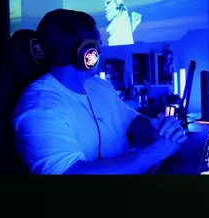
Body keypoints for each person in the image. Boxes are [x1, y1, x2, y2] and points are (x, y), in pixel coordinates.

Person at [12, 10, 185, 175]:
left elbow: (131, 120)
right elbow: (71, 174)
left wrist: (157, 130)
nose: (101, 51)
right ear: (87, 52)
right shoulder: (40, 109)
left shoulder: (99, 86)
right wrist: (157, 151)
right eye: (98, 45)